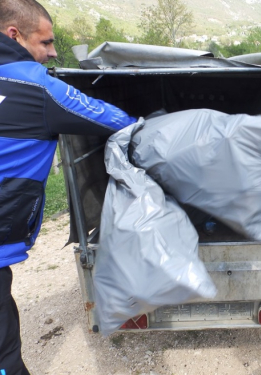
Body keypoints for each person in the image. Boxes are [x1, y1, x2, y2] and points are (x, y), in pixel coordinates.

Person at [0, 1, 137, 373]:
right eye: (45, 42)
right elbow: (115, 119)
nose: (53, 52)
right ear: (14, 34)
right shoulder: (34, 85)